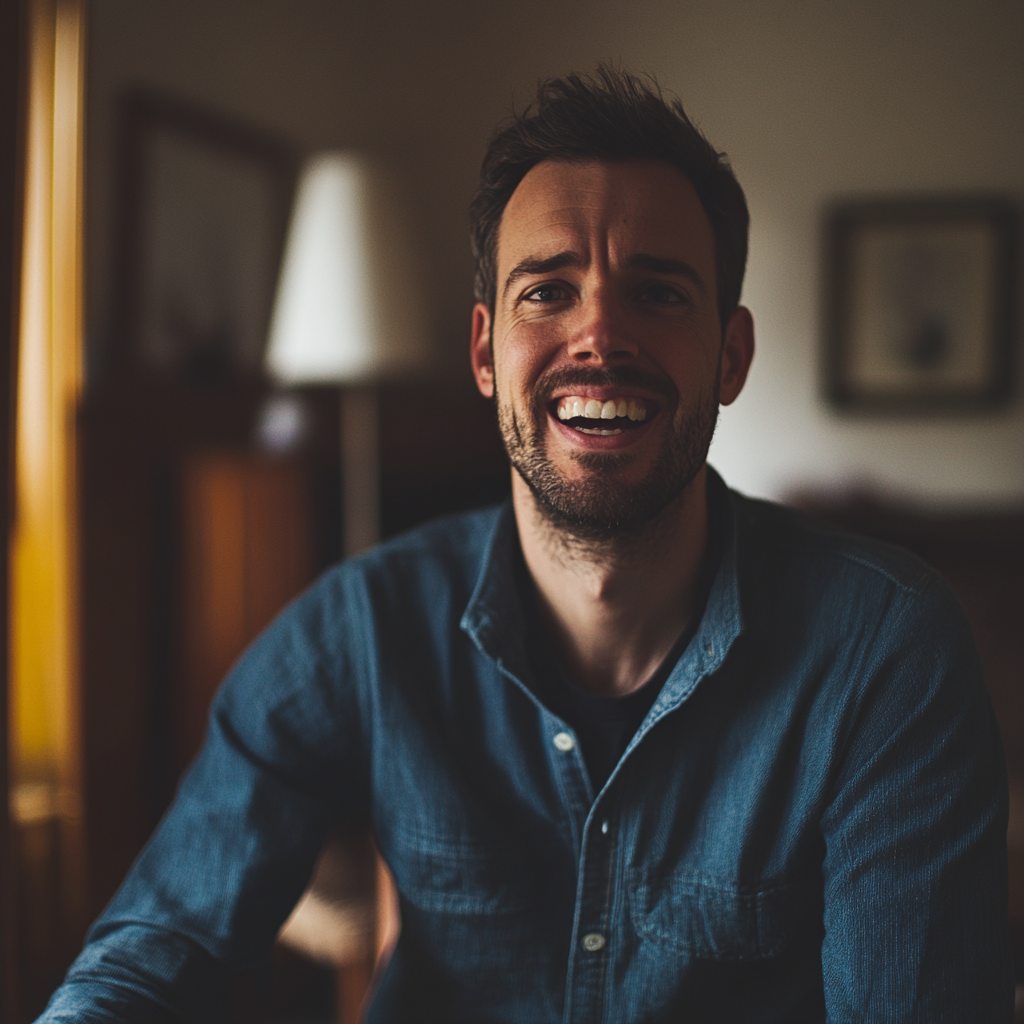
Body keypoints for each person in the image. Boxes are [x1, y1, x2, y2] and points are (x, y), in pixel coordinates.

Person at [41, 67, 1012, 1023]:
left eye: (659, 293)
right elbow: (160, 950)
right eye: (547, 291)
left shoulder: (887, 648)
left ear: (730, 354)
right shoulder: (361, 627)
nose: (598, 333)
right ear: (482, 350)